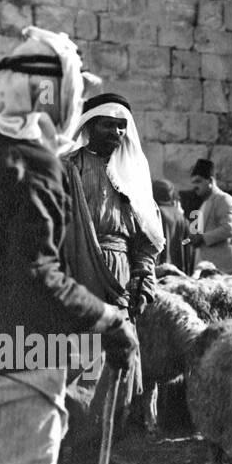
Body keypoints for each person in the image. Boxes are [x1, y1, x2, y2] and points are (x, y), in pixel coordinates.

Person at [0, 27, 138, 464]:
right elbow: (39, 275)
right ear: (53, 93)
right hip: (24, 365)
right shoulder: (32, 160)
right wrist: (110, 318)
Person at [63, 94, 164, 320]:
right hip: (76, 268)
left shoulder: (131, 175)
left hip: (122, 275)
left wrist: (142, 282)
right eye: (108, 124)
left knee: (118, 347)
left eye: (121, 126)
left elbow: (145, 239)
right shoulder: (69, 166)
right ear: (90, 125)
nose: (116, 131)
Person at [188, 159, 232, 275]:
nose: (195, 186)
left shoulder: (224, 200)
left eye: (198, 182)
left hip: (224, 271)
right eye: (193, 183)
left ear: (211, 181)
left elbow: (229, 229)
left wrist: (202, 238)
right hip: (207, 270)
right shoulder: (205, 203)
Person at [153, 178, 190, 272]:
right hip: (178, 268)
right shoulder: (180, 215)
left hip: (159, 267)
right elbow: (188, 240)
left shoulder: (156, 213)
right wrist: (179, 244)